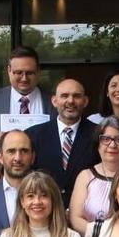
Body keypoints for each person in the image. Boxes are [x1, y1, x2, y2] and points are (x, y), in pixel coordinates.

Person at [26, 77, 96, 206]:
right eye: (64, 96)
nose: (70, 101)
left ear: (85, 101)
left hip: (84, 210)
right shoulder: (33, 135)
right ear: (54, 101)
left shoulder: (98, 135)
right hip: (44, 210)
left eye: (76, 96)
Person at [0, 45, 55, 143]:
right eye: (18, 72)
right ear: (9, 71)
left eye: (29, 73)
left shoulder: (54, 102)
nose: (24, 78)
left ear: (38, 71)